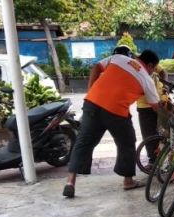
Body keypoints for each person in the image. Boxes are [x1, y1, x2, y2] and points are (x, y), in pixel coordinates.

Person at [62, 50, 161, 198]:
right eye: (153, 68)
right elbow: (155, 107)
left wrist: (91, 90)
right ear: (150, 65)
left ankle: (70, 182)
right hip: (116, 112)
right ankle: (128, 181)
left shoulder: (118, 58)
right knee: (127, 143)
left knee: (83, 142)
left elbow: (96, 67)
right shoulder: (147, 79)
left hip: (92, 103)